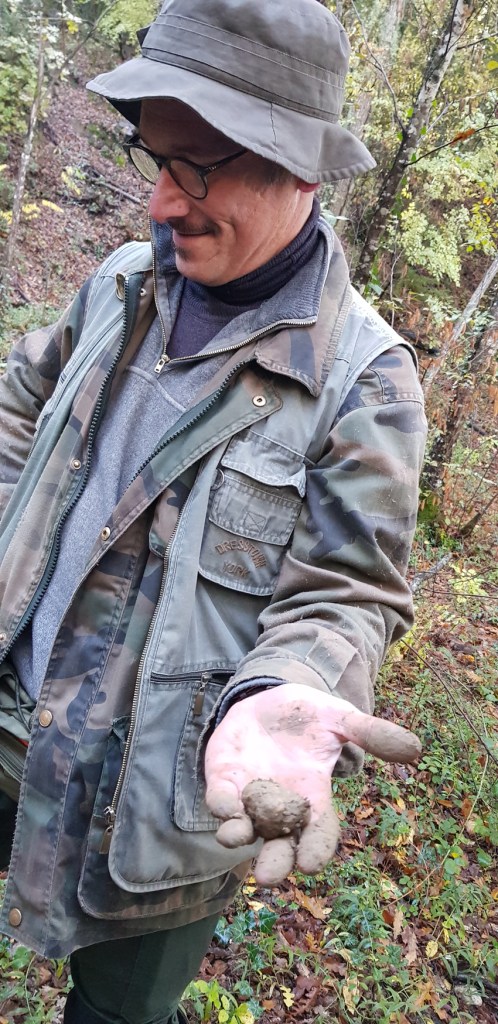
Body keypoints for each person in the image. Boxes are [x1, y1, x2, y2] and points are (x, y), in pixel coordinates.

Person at [0, 0, 427, 1021]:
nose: (159, 201)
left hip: (150, 815)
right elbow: (21, 402)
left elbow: (346, 592)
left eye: (195, 169)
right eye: (156, 158)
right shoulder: (121, 283)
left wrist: (289, 685)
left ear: (299, 171)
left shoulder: (364, 383)